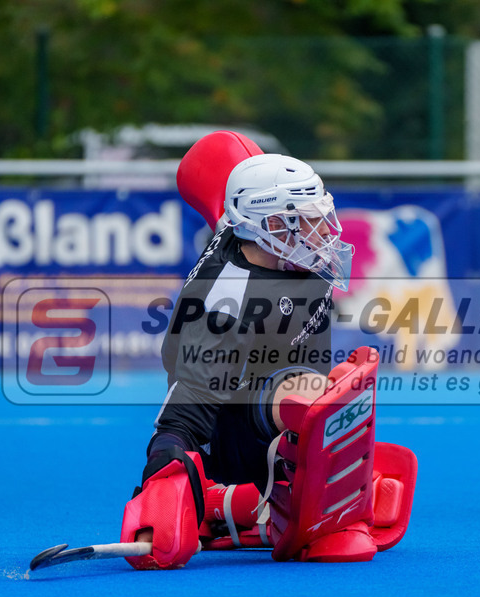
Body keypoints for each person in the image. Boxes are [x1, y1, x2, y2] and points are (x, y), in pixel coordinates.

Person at [119, 133, 416, 569]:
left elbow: (218, 156)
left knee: (335, 431)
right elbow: (187, 410)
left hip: (268, 383)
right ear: (271, 227)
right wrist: (165, 482)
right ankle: (247, 492)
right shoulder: (225, 304)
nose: (324, 233)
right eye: (308, 221)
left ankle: (231, 507)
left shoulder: (267, 237)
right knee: (315, 397)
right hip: (226, 422)